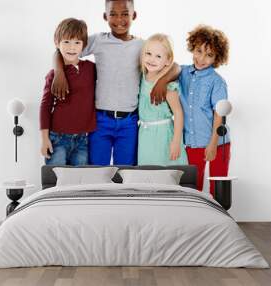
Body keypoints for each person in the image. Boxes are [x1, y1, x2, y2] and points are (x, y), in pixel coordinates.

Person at [52, 0, 176, 166]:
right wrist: (58, 73)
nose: (119, 20)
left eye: (125, 14)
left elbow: (174, 66)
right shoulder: (98, 41)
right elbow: (61, 51)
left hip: (129, 122)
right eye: (113, 14)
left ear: (134, 15)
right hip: (101, 120)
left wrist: (163, 81)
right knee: (97, 169)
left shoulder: (142, 45)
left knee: (125, 171)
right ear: (105, 16)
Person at [178, 25, 230, 195]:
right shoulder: (182, 73)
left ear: (216, 58)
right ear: (192, 48)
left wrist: (213, 144)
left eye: (209, 55)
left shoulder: (217, 82)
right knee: (193, 187)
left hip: (217, 142)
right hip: (192, 143)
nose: (202, 58)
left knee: (218, 188)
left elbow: (219, 114)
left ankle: (218, 218)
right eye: (199, 51)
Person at [39, 18, 96, 166]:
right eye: (67, 42)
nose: (72, 47)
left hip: (83, 140)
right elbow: (45, 107)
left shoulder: (90, 68)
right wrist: (45, 139)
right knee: (56, 181)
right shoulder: (54, 74)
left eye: (77, 42)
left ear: (83, 45)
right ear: (57, 43)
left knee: (79, 183)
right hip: (58, 139)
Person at [138, 34, 187, 166]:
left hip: (163, 135)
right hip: (144, 135)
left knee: (164, 171)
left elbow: (178, 112)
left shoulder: (168, 85)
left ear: (167, 60)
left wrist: (176, 141)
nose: (152, 59)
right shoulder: (142, 76)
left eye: (158, 56)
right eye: (148, 53)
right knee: (147, 172)